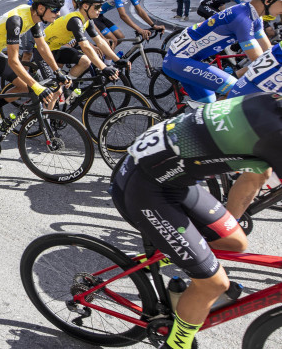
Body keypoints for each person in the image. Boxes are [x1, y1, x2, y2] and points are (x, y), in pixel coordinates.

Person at [110, 92, 282, 349]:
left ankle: (184, 273)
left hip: (172, 179)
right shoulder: (275, 133)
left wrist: (220, 228)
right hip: (144, 187)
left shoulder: (271, 101)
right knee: (215, 284)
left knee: (235, 242)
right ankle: (177, 344)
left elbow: (257, 175)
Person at [0, 0, 65, 169]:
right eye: (54, 9)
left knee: (23, 87)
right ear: (41, 8)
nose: (58, 13)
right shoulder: (16, 20)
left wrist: (57, 71)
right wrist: (36, 86)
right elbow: (14, 61)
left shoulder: (35, 18)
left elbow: (43, 47)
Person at [221, 0, 282, 222]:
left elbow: (261, 62)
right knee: (259, 173)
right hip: (246, 110)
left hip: (253, 104)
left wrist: (239, 77)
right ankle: (224, 231)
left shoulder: (260, 17)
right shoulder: (245, 15)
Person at [161, 0, 277, 104]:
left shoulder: (254, 16)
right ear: (269, 0)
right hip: (179, 61)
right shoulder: (242, 19)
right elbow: (261, 63)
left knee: (209, 106)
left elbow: (269, 53)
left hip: (188, 60)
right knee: (237, 90)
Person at [33, 0, 123, 85]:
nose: (100, 10)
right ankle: (57, 92)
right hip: (42, 52)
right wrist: (103, 67)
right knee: (54, 90)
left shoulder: (88, 20)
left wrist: (118, 60)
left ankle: (67, 87)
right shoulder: (75, 20)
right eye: (97, 7)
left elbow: (100, 42)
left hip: (56, 49)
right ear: (85, 6)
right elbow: (85, 46)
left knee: (85, 61)